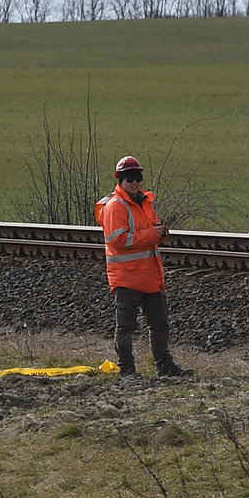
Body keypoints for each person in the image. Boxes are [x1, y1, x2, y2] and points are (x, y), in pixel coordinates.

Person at [97, 155, 186, 377]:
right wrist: (152, 234)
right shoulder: (115, 206)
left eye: (138, 177)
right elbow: (119, 240)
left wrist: (161, 233)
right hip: (127, 278)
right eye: (130, 178)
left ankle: (164, 366)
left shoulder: (145, 203)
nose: (135, 182)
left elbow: (150, 232)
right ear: (120, 180)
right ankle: (127, 370)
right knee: (126, 328)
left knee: (160, 325)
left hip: (149, 276)